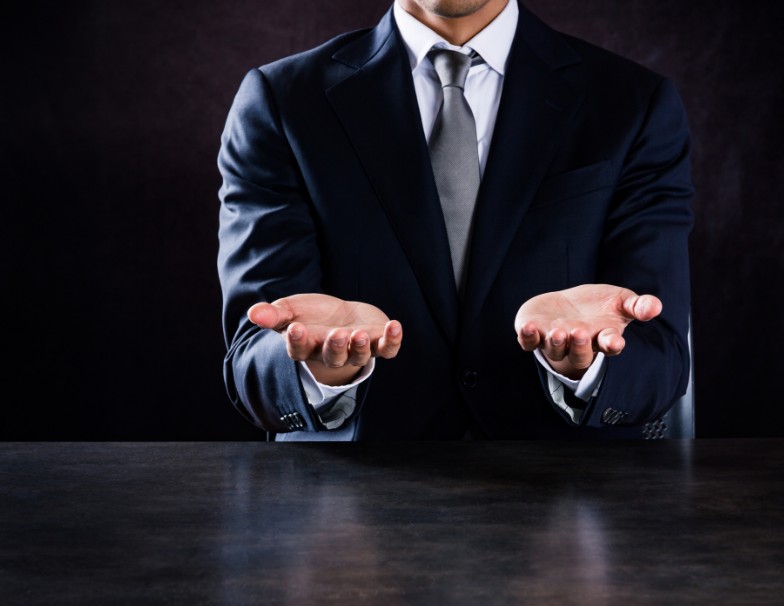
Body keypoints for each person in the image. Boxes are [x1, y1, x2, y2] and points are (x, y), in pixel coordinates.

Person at [216, 0, 694, 440]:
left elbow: (661, 358)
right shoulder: (281, 103)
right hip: (348, 505)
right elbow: (252, 360)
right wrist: (317, 367)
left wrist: (587, 364)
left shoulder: (633, 103)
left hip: (573, 499)